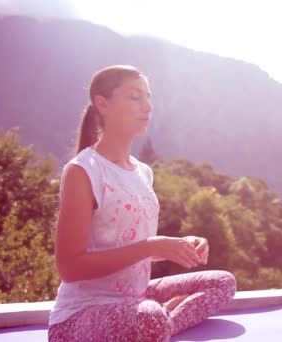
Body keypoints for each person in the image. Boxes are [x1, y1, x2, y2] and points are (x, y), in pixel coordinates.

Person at [48, 65, 236, 342]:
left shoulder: (143, 172)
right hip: (81, 315)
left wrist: (176, 246)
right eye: (135, 97)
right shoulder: (83, 170)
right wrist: (151, 246)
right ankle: (158, 322)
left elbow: (131, 247)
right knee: (149, 317)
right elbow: (70, 267)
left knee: (222, 283)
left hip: (136, 299)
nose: (147, 107)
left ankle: (160, 325)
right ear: (103, 104)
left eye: (148, 97)